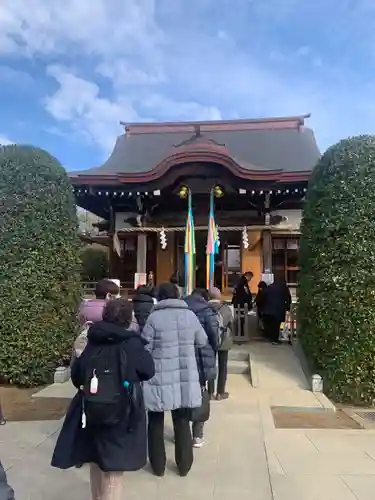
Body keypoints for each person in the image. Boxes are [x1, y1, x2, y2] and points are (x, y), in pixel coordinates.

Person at [52, 298, 155, 500]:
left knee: (97, 460)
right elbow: (148, 370)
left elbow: (77, 375)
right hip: (122, 412)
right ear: (127, 319)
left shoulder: (93, 339)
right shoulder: (132, 343)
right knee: (114, 469)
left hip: (91, 409)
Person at [141, 282, 207, 477]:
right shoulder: (190, 316)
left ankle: (158, 466)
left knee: (155, 422)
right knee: (182, 421)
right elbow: (202, 341)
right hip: (184, 378)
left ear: (159, 297)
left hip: (157, 377)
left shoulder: (154, 317)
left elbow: (145, 348)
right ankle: (184, 465)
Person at [184, 288, 220, 447]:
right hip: (202, 357)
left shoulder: (182, 310)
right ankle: (197, 435)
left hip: (183, 356)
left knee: (183, 393)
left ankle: (182, 431)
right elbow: (215, 337)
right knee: (201, 391)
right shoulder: (208, 312)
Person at [208, 287, 234, 400]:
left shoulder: (205, 308)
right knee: (223, 366)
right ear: (218, 296)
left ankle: (210, 392)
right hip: (224, 340)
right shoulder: (225, 308)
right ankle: (220, 392)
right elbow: (231, 322)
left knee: (210, 366)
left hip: (209, 340)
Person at [261, 278, 292, 345]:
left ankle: (270, 338)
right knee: (276, 325)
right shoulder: (284, 288)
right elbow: (288, 299)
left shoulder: (269, 287)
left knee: (270, 324)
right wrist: (288, 308)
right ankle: (275, 339)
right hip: (278, 310)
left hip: (267, 310)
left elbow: (262, 296)